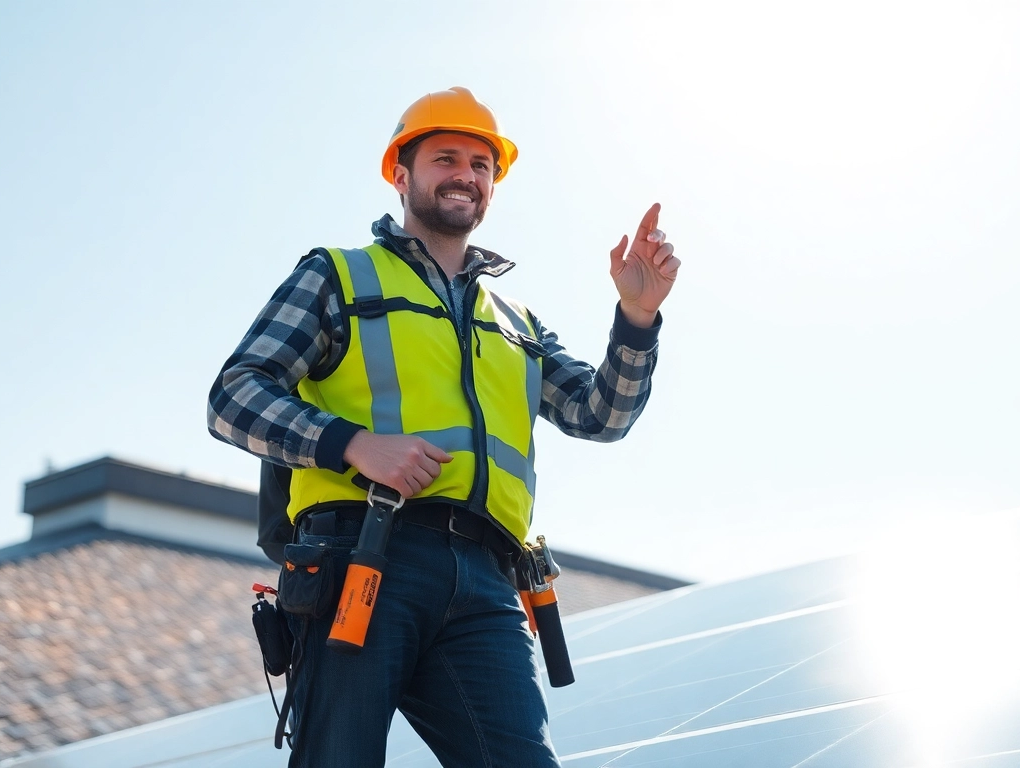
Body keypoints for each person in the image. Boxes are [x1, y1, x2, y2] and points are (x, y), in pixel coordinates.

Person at [206, 86, 679, 767]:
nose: (466, 175)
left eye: (482, 165)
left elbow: (601, 415)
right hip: (362, 556)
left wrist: (636, 319)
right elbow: (233, 395)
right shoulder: (338, 276)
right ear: (402, 175)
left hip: (488, 581)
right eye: (445, 157)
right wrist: (356, 446)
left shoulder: (516, 321)